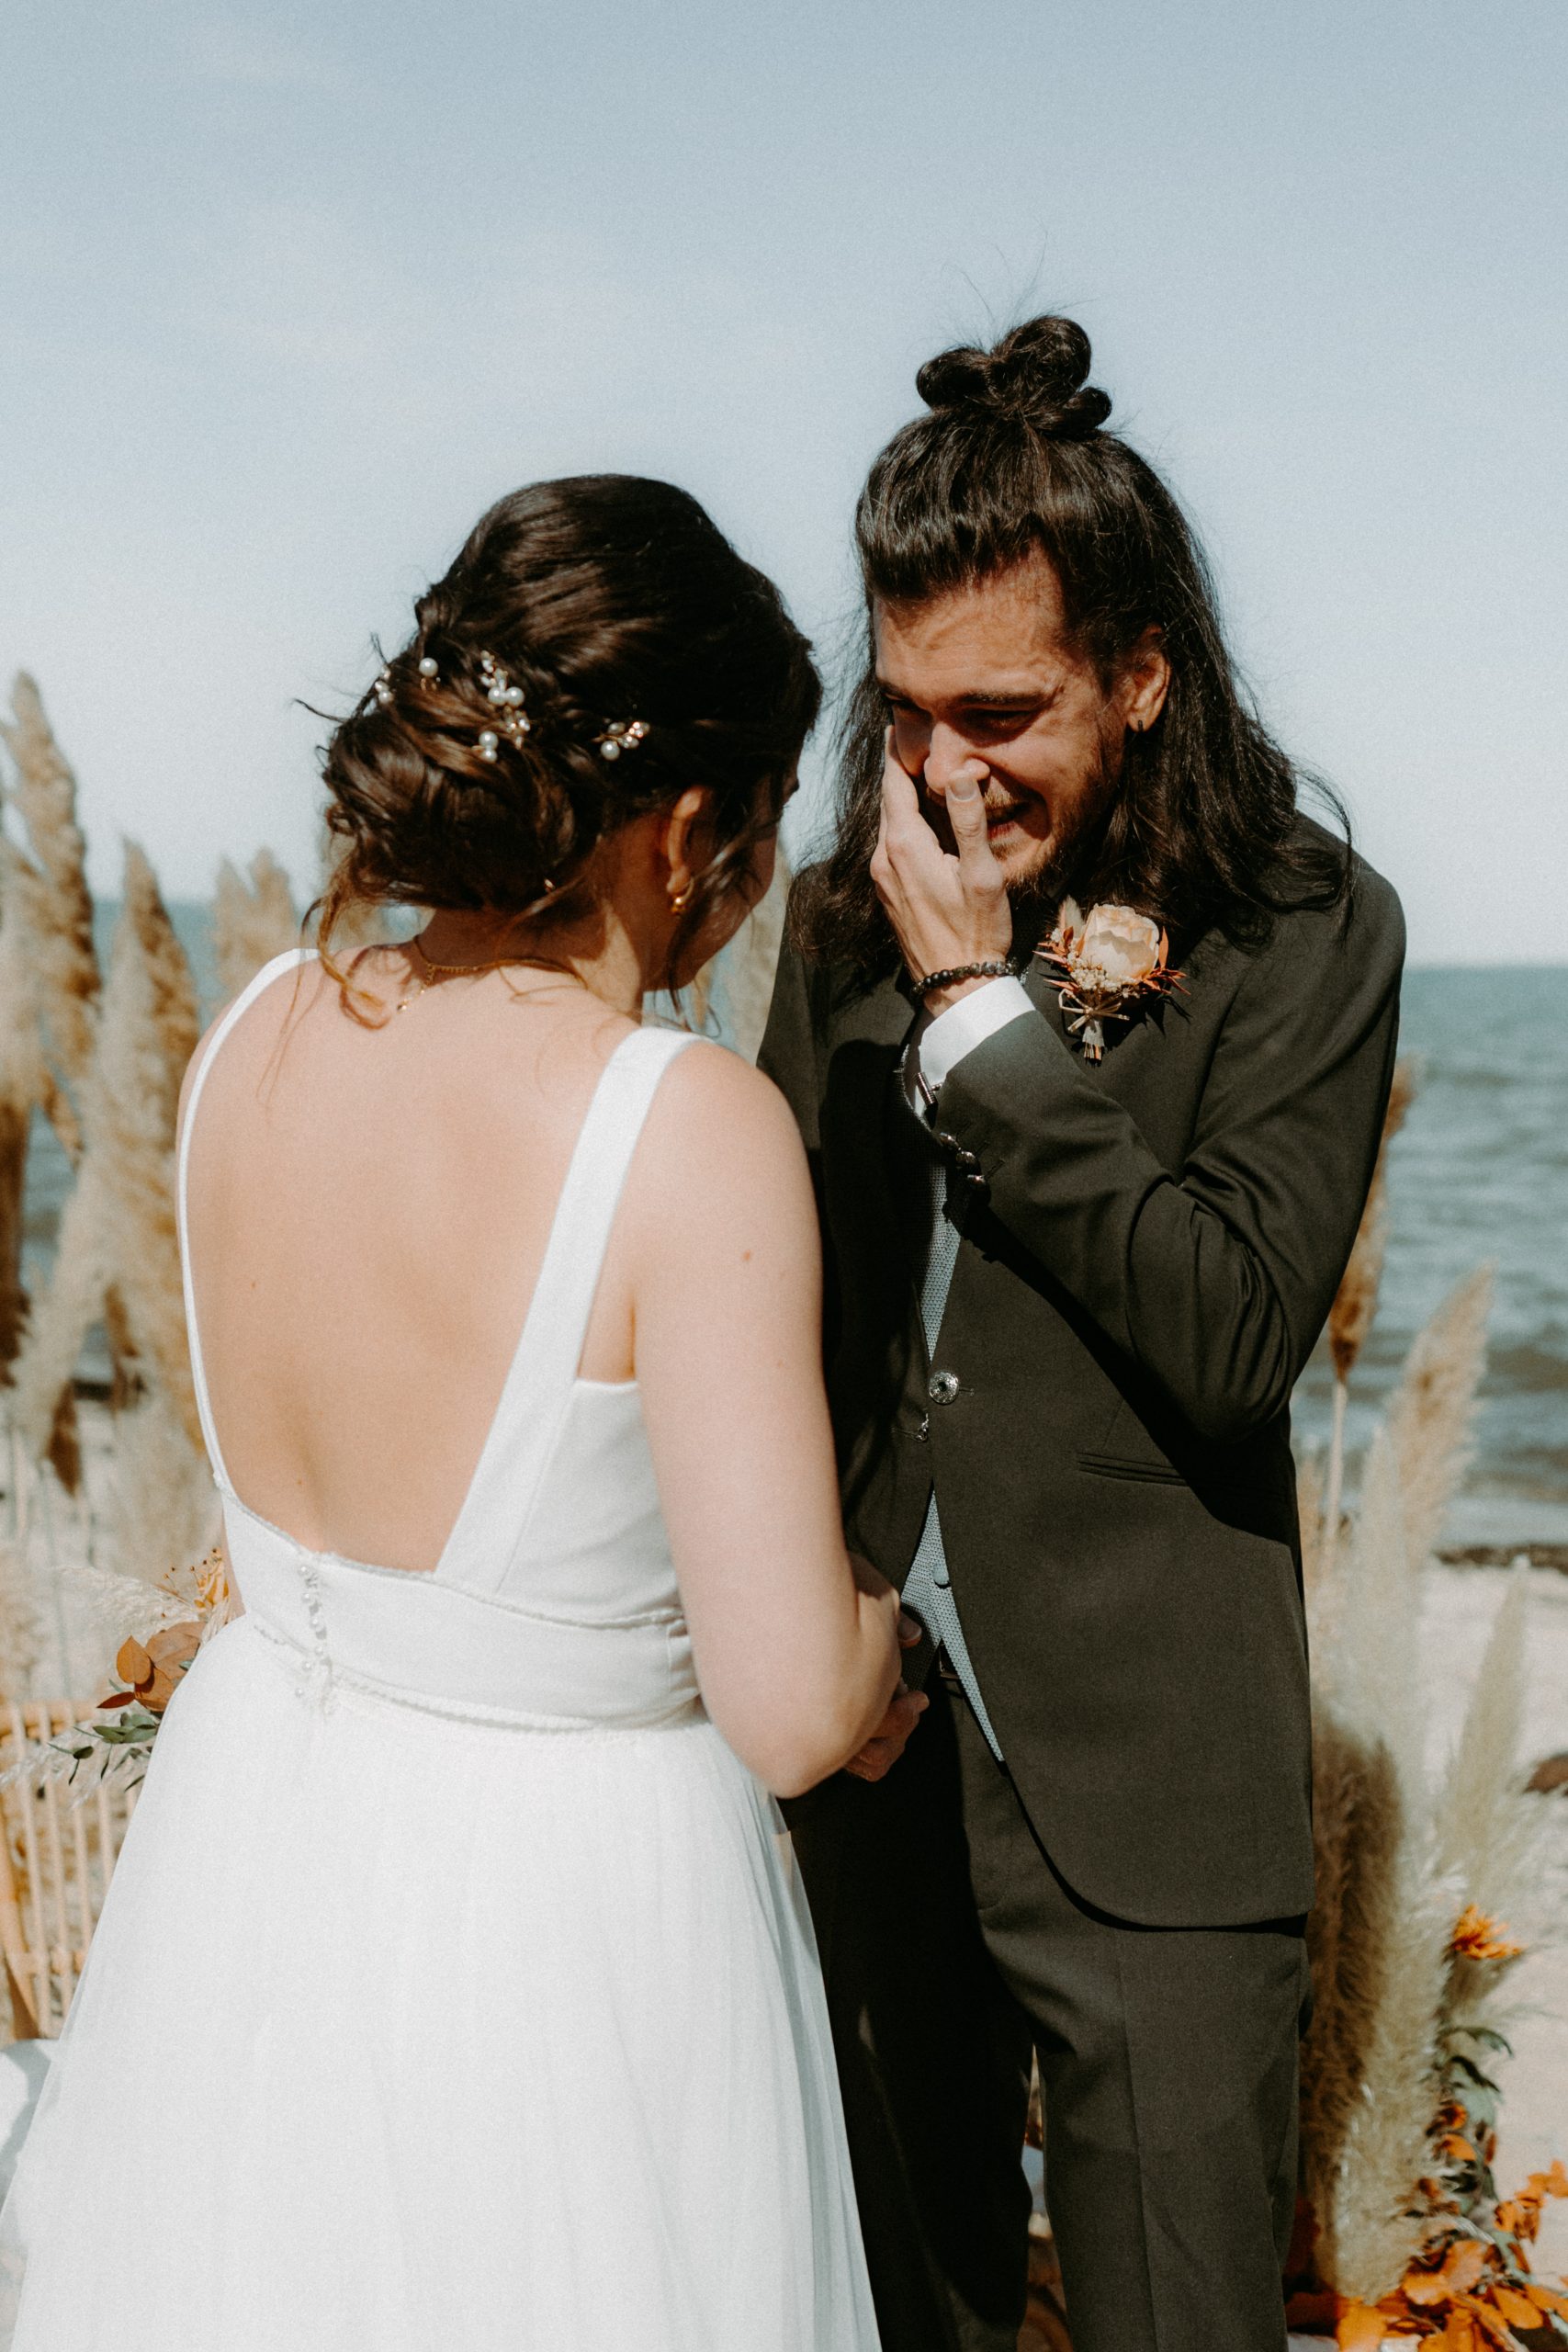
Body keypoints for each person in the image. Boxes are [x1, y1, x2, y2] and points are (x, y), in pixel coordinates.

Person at [0, 475, 908, 2349]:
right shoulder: (682, 1123)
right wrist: (891, 1635)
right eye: (744, 832)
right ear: (681, 824)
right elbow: (791, 1705)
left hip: (257, 1851)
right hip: (563, 1938)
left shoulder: (255, 1030)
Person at [759, 317, 1406, 2352]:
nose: (941, 768)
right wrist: (807, 1647)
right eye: (902, 710)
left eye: (1000, 708)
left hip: (1153, 1790)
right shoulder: (832, 920)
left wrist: (980, 1025)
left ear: (1137, 673)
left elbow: (1224, 1328)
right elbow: (779, 1317)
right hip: (868, 1762)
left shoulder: (1310, 925)